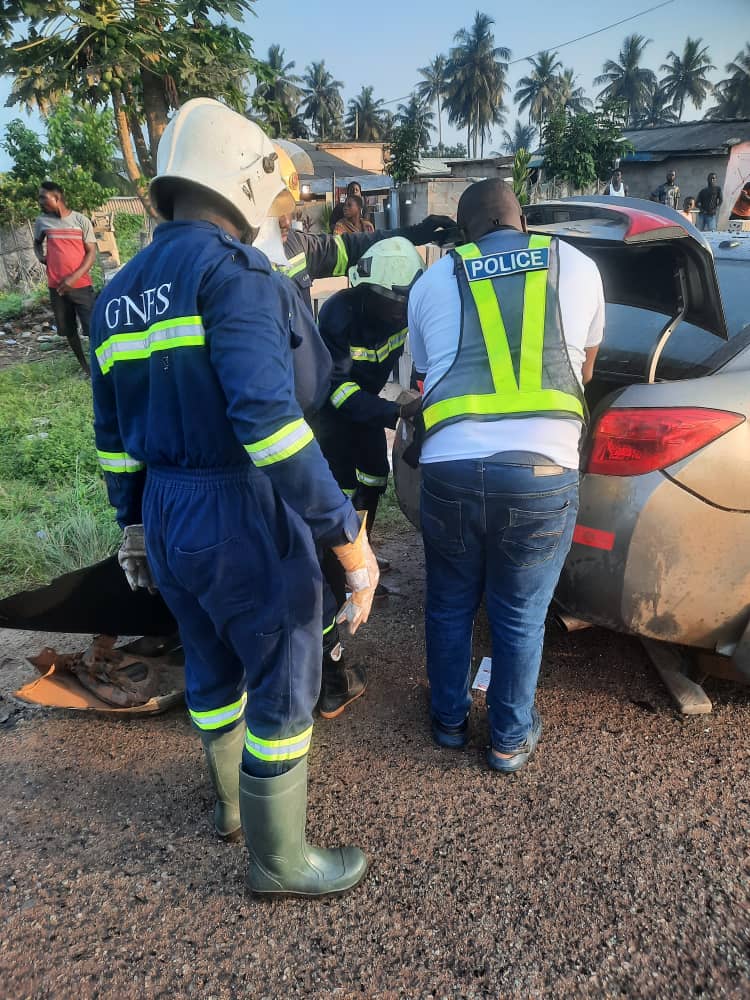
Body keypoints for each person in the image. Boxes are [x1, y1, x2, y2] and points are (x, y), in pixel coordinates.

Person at [90, 98, 379, 898]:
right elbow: (274, 418)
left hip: (166, 515)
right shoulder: (234, 274)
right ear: (242, 181)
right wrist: (346, 541)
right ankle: (281, 862)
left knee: (212, 664)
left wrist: (133, 523)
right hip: (241, 509)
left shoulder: (116, 296)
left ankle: (228, 808)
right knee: (286, 674)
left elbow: (110, 434)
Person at [407, 179, 604, 773]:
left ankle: (447, 722)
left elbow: (423, 377)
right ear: (521, 219)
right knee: (519, 612)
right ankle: (508, 739)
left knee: (447, 603)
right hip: (542, 472)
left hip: (451, 469)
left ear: (466, 230)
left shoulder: (435, 278)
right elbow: (587, 370)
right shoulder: (577, 265)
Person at [317, 237, 426, 537]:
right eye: (399, 304)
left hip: (368, 409)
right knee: (341, 488)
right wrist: (398, 411)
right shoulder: (337, 314)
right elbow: (338, 391)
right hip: (331, 416)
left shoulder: (401, 317)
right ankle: (339, 571)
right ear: (372, 293)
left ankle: (362, 553)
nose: (404, 313)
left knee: (375, 476)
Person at [33, 181, 97, 376]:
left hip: (81, 286)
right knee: (68, 330)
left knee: (93, 328)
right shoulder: (42, 222)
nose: (40, 201)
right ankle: (85, 368)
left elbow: (91, 253)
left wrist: (73, 277)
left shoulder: (80, 220)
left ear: (57, 198)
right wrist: (41, 257)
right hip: (56, 287)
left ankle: (100, 365)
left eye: (43, 197)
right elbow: (37, 243)